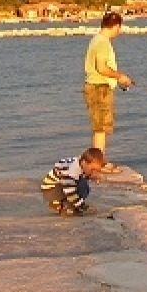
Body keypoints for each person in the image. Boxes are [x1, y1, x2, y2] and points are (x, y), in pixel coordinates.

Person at [83, 11, 132, 170]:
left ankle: (98, 161)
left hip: (97, 87)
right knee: (101, 128)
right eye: (120, 27)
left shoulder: (96, 40)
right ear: (116, 26)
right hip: (100, 88)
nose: (120, 31)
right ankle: (98, 163)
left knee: (100, 127)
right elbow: (102, 68)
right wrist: (120, 77)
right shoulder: (103, 43)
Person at [40, 147, 107, 216]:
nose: (94, 172)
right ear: (84, 162)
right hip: (50, 189)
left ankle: (68, 204)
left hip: (60, 184)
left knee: (84, 187)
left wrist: (90, 176)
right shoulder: (71, 170)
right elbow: (70, 191)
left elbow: (79, 176)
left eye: (96, 170)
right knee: (80, 188)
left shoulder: (80, 163)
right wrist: (84, 207)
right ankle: (59, 204)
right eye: (92, 169)